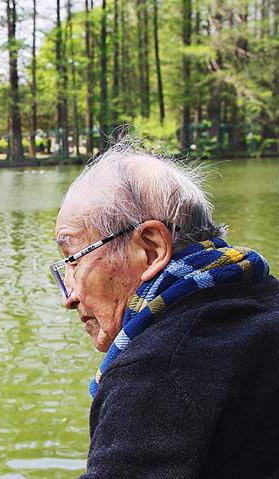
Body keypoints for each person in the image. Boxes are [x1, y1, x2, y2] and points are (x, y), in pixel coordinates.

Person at [51, 143, 279, 478]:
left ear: (152, 248)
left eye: (74, 259)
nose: (68, 296)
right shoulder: (265, 300)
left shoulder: (153, 374)